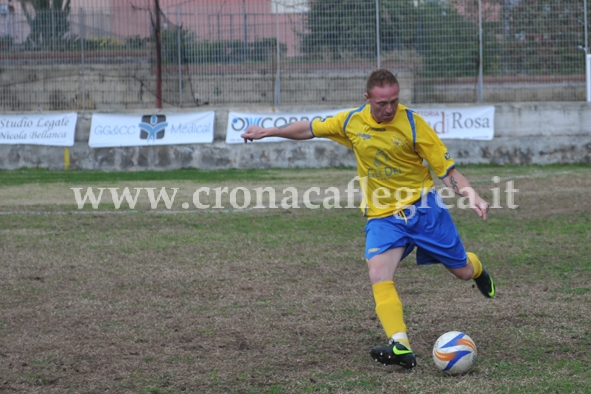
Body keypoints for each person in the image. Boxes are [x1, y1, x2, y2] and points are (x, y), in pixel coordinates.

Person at [240, 68, 495, 369]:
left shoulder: (414, 124)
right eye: (381, 103)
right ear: (367, 99)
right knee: (378, 274)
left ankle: (475, 268)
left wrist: (471, 194)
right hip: (383, 216)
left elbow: (447, 171)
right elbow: (309, 128)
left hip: (423, 209)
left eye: (394, 102)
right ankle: (400, 345)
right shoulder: (351, 121)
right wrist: (267, 132)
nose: (389, 109)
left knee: (461, 271)